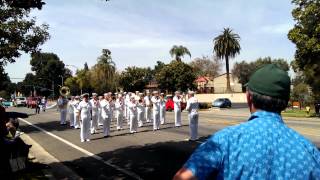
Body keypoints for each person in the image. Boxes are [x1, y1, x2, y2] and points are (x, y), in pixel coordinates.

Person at [174, 64, 320, 180]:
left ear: (249, 97)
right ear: (286, 101)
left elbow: (184, 177)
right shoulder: (310, 151)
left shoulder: (225, 140)